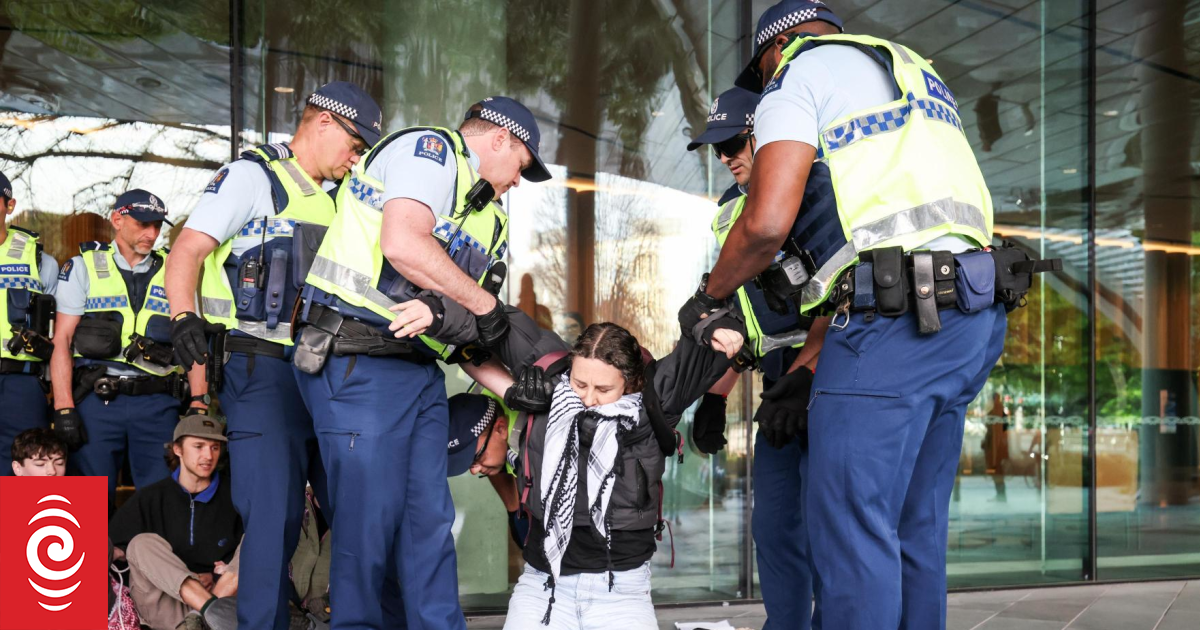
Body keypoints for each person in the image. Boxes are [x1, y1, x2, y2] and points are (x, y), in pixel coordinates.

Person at [673, 1, 1038, 628]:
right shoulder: (915, 72)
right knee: (911, 529)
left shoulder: (795, 76)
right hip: (972, 315)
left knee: (850, 528)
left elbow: (764, 222)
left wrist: (708, 296)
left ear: (771, 52)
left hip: (892, 327)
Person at [291, 95, 550, 630]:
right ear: (499, 139)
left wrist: (512, 390)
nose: (519, 182)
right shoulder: (430, 151)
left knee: (429, 525)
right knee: (367, 528)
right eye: (522, 165)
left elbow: (469, 335)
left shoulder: (492, 224)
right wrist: (487, 308)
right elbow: (403, 242)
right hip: (357, 357)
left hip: (421, 374)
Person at [165, 81, 382, 630]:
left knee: (357, 512)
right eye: (355, 144)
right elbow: (188, 249)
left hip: (335, 372)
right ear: (325, 123)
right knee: (275, 520)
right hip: (264, 370)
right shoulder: (253, 177)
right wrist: (183, 317)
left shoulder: (348, 196)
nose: (355, 158)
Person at [432, 303, 742, 629]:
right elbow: (484, 313)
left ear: (631, 382)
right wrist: (435, 312)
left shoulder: (655, 397)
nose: (588, 399)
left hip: (621, 591)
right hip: (542, 584)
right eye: (580, 384)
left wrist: (710, 326)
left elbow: (706, 340)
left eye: (604, 389)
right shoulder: (551, 375)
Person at [686, 86, 820, 630]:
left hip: (831, 375)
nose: (726, 157)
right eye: (717, 149)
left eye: (735, 143)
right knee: (774, 526)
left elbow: (843, 293)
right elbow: (745, 317)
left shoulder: (815, 188)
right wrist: (715, 396)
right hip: (777, 386)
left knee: (833, 525)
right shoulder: (728, 214)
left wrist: (810, 368)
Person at [51, 189, 186, 498]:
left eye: (157, 225)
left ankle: (143, 549)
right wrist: (64, 408)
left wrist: (199, 400)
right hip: (98, 400)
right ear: (117, 220)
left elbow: (191, 340)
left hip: (157, 402)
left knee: (161, 499)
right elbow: (63, 340)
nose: (152, 233)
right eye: (143, 224)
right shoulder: (83, 267)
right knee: (86, 499)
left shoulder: (174, 270)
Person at [109, 412, 242, 630]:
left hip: (222, 596)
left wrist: (217, 576)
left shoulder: (235, 494)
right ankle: (208, 613)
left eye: (215, 447)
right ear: (177, 449)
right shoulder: (151, 497)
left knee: (256, 537)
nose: (208, 455)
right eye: (199, 446)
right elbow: (115, 549)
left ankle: (201, 619)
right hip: (168, 608)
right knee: (141, 543)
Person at [0, 171, 59, 475]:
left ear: (9, 205)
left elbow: (58, 334)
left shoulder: (40, 261)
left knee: (27, 478)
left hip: (21, 382)